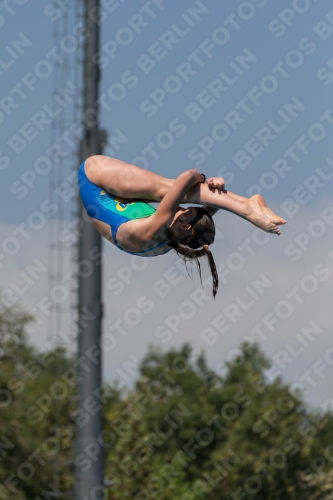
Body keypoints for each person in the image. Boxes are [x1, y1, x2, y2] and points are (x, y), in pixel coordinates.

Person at [78, 155, 286, 298]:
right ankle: (248, 204)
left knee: (169, 188)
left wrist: (204, 178)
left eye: (187, 211)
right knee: (181, 191)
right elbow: (208, 208)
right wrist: (218, 188)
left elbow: (186, 178)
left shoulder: (150, 231)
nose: (182, 208)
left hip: (93, 179)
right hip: (123, 200)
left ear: (185, 225)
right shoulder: (176, 236)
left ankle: (247, 208)